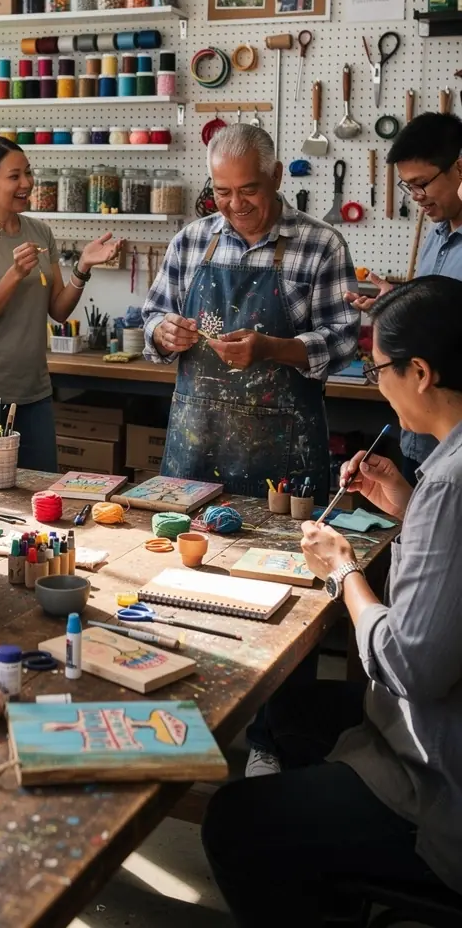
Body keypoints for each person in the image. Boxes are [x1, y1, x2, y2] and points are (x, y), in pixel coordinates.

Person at [202, 275, 462, 925]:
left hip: (442, 777)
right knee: (293, 712)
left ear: (422, 372)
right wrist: (402, 503)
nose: (376, 387)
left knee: (234, 821)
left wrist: (343, 570)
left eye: (378, 373)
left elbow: (409, 666)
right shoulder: (443, 478)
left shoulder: (451, 484)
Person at [143, 124, 359, 503]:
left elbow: (342, 342)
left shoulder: (322, 245)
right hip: (195, 447)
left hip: (284, 457)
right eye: (222, 192)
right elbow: (154, 318)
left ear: (275, 176)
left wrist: (272, 348)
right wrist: (163, 332)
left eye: (249, 189)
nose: (236, 204)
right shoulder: (190, 241)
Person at [0, 138, 120, 471]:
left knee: (41, 487)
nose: (27, 183)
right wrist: (14, 274)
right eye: (14, 176)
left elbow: (58, 311)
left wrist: (82, 267)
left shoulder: (40, 233)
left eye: (28, 173)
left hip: (33, 390)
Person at [346, 112, 462, 481]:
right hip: (421, 435)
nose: (416, 197)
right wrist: (397, 306)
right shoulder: (438, 234)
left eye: (422, 183)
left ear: (460, 168)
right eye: (408, 186)